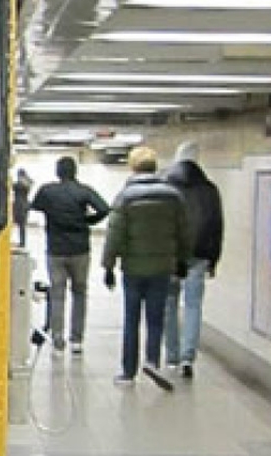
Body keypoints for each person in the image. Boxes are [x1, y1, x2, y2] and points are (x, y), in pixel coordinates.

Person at [101, 146, 190, 386]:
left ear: (133, 167)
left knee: (131, 319)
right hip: (162, 268)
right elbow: (184, 232)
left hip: (133, 269)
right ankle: (152, 361)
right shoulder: (174, 196)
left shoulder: (125, 197)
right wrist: (182, 261)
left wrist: (108, 266)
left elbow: (114, 235)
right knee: (156, 318)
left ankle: (128, 372)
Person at [29, 156, 110, 355]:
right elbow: (104, 208)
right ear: (75, 172)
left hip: (56, 250)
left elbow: (34, 206)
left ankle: (57, 339)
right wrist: (87, 220)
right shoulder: (84, 191)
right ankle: (77, 340)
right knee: (80, 293)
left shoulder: (47, 191)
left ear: (58, 172)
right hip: (80, 249)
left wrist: (53, 212)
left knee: (57, 294)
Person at [162, 140, 224, 379]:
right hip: (199, 255)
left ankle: (172, 357)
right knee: (193, 305)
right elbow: (217, 225)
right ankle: (188, 358)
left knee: (169, 303)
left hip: (171, 253)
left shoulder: (166, 187)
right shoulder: (210, 190)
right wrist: (214, 258)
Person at [12, 167, 34, 246]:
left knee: (17, 223)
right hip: (25, 204)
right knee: (22, 225)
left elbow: (13, 186)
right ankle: (22, 242)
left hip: (18, 204)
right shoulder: (27, 183)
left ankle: (21, 242)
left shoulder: (20, 184)